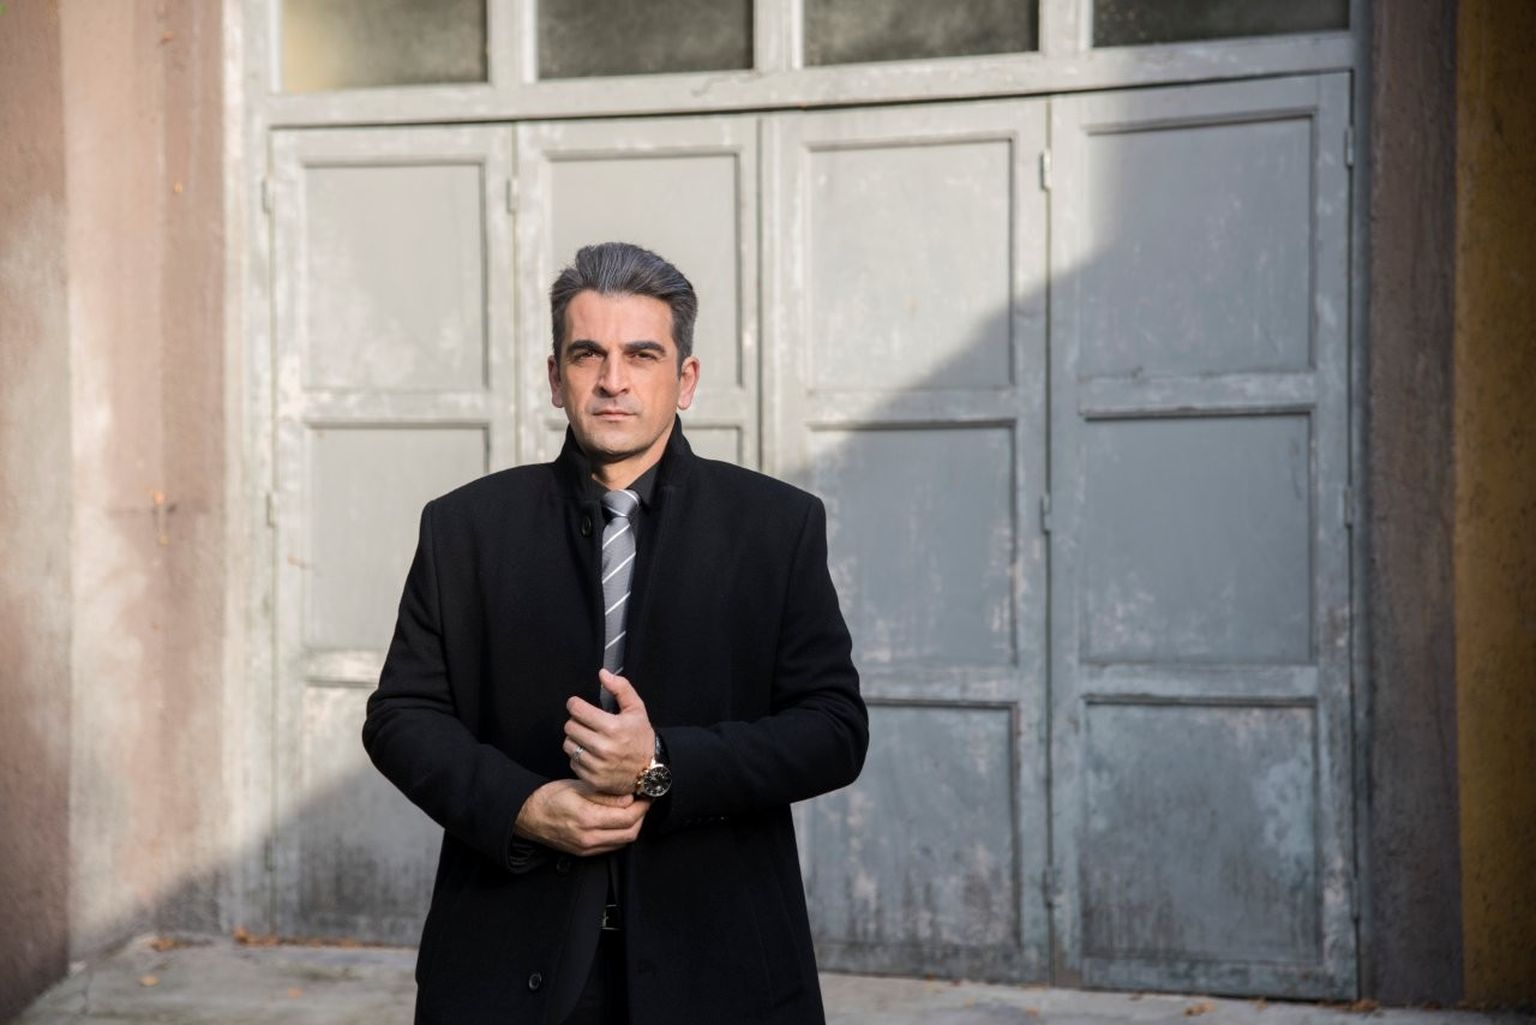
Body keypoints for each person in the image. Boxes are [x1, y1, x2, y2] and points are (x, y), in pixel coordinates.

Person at [362, 241, 868, 1025]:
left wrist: (661, 762)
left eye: (641, 354)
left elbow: (834, 729)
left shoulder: (776, 528)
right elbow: (400, 717)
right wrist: (523, 806)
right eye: (587, 353)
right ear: (554, 377)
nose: (613, 379)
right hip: (505, 966)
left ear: (685, 379)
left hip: (722, 972)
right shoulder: (465, 528)